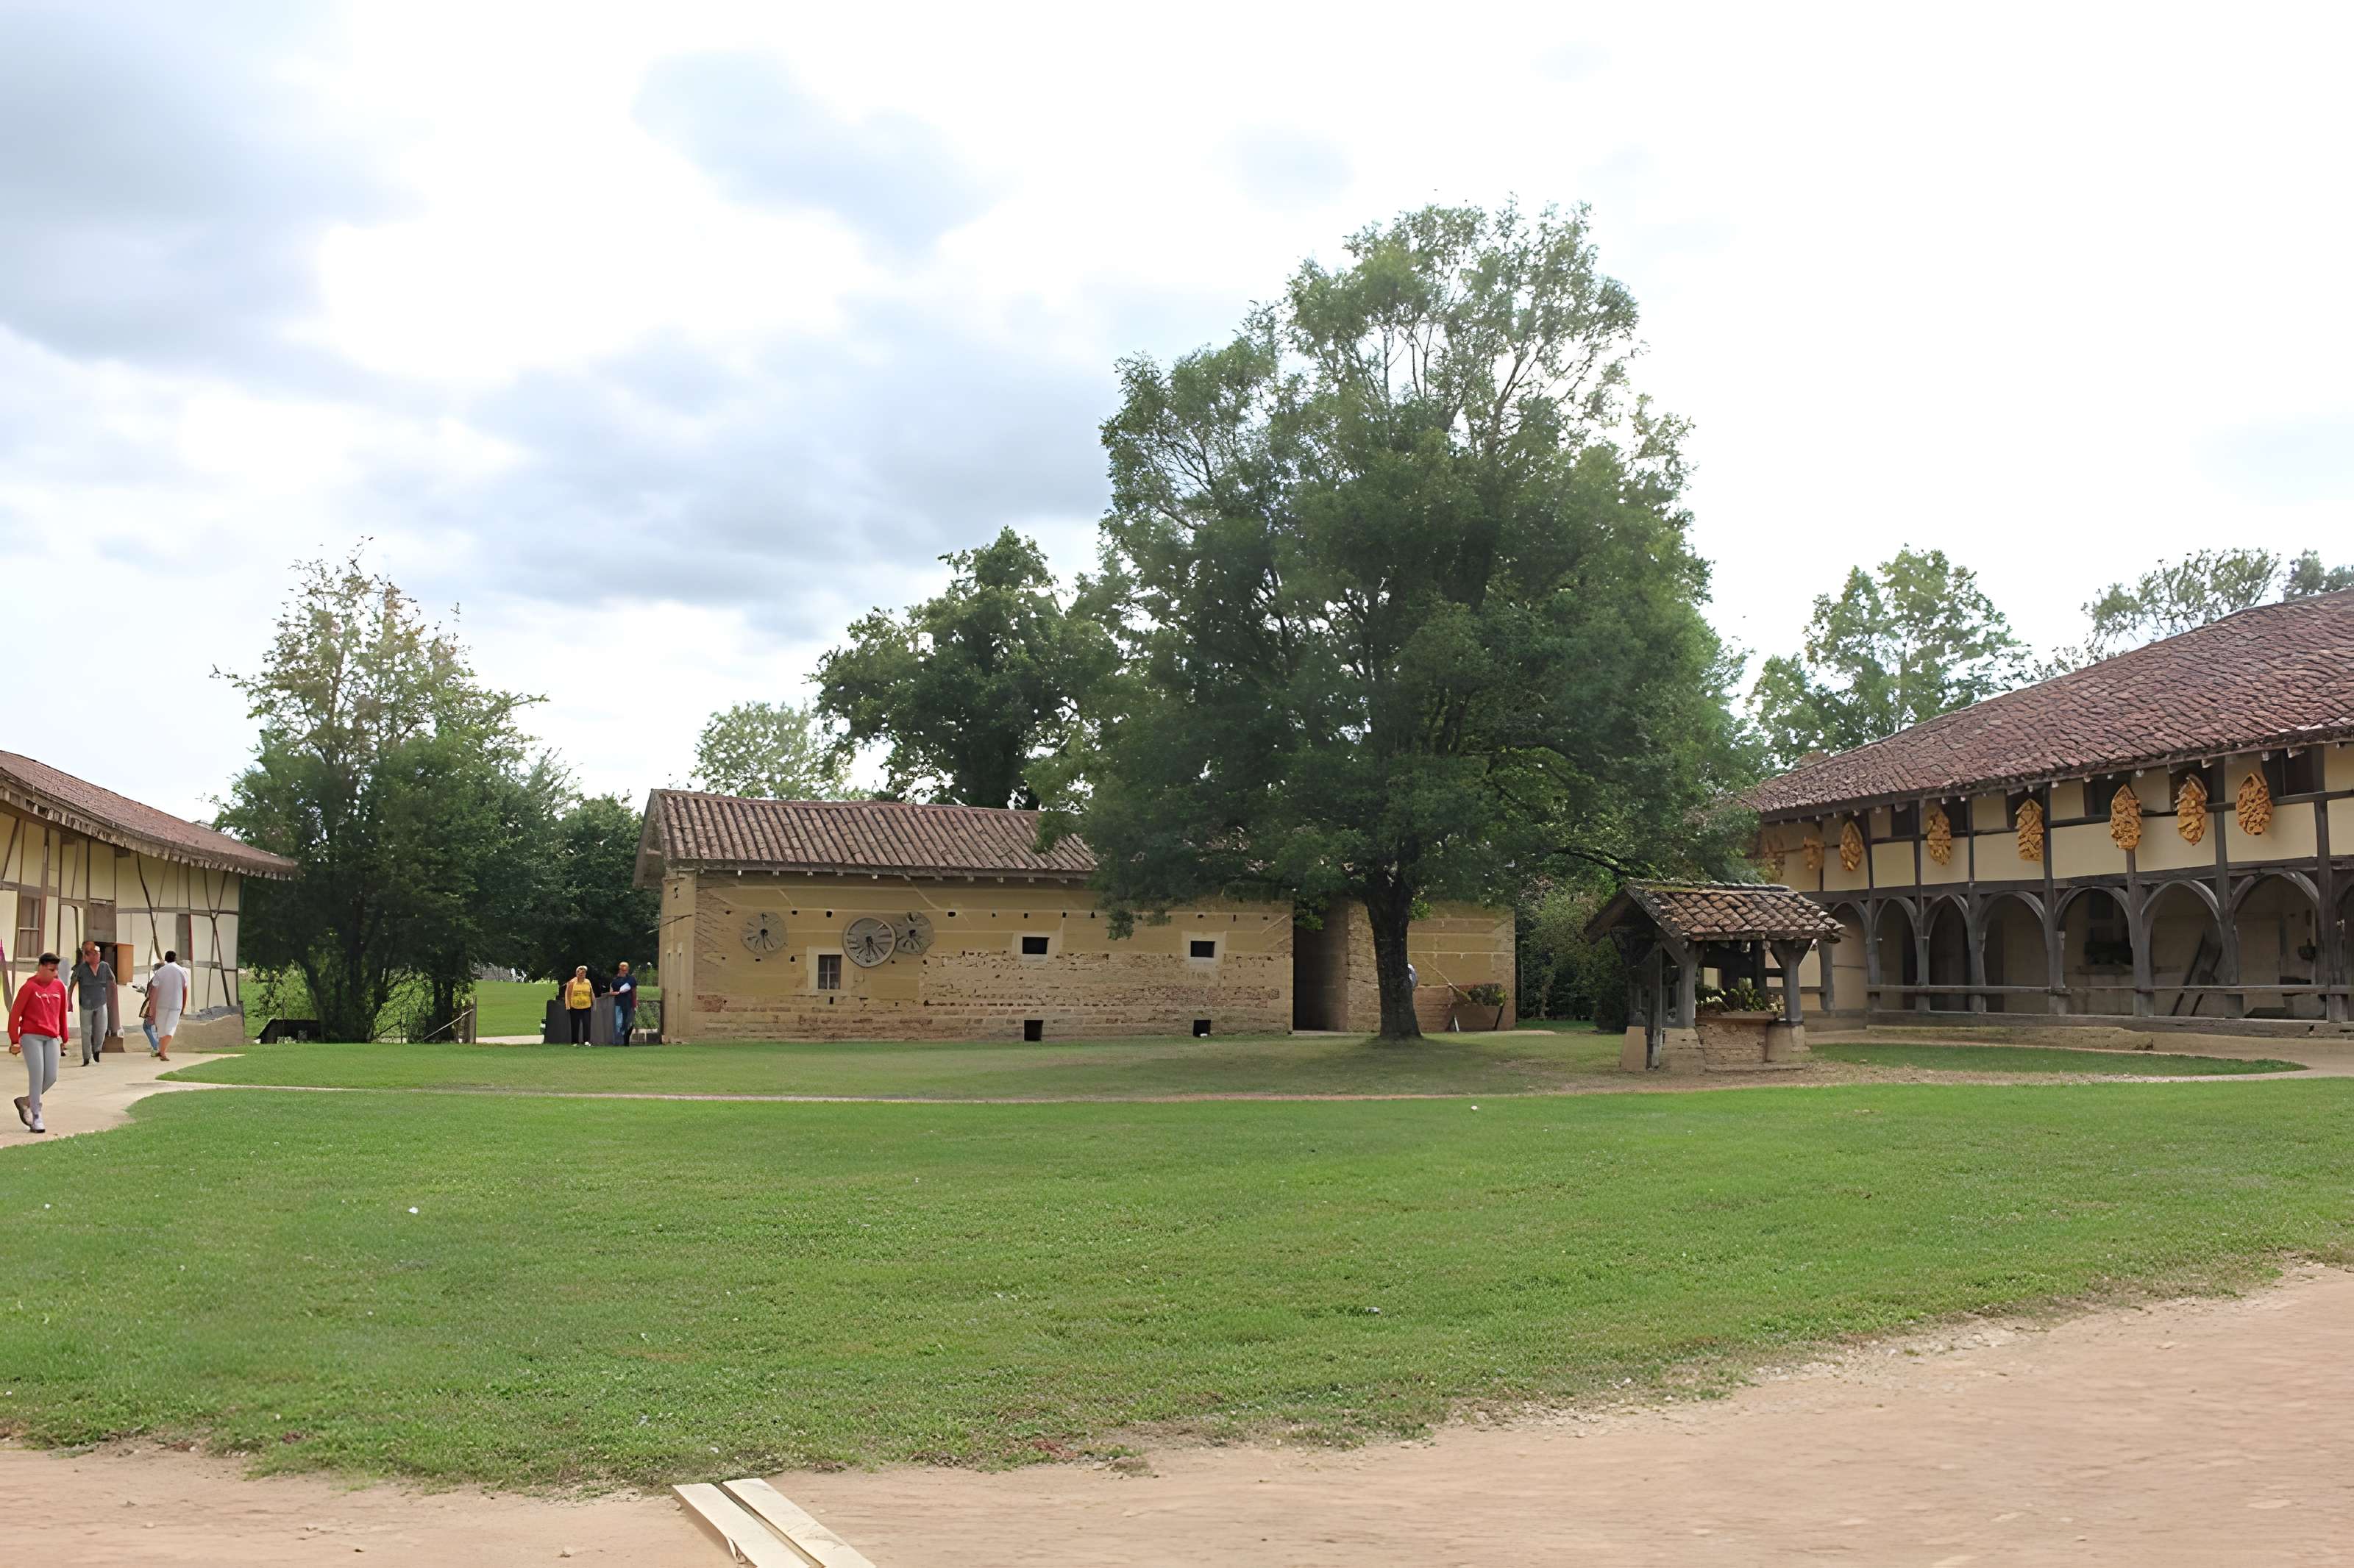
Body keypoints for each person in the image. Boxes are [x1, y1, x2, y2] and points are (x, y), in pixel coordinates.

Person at [12, 952, 70, 1134]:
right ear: (41, 967)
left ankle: (26, 1101)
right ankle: (36, 1117)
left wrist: (64, 1037)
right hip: (31, 1035)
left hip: (51, 1036)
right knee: (37, 1076)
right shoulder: (29, 987)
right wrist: (15, 1040)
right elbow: (15, 1014)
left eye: (56, 970)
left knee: (51, 1077)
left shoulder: (59, 987)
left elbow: (61, 1014)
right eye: (51, 970)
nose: (55, 974)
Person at [68, 941, 115, 1066]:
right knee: (86, 1031)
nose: (96, 956)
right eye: (92, 954)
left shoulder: (104, 966)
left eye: (97, 954)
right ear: (86, 956)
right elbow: (72, 984)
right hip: (86, 1003)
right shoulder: (81, 968)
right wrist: (69, 1002)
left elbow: (112, 982)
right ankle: (86, 1057)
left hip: (101, 1001)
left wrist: (113, 999)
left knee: (101, 1028)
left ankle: (97, 1050)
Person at [146, 949, 191, 1063]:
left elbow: (153, 991)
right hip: (176, 1004)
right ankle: (162, 1052)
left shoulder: (160, 972)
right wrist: (183, 1006)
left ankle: (162, 1052)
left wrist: (152, 1008)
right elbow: (185, 990)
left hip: (161, 1004)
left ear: (165, 959)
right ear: (175, 959)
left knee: (161, 1030)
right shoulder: (181, 971)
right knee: (170, 1030)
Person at [563, 966, 594, 1045]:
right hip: (575, 1007)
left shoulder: (588, 982)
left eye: (583, 972)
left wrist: (593, 1002)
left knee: (587, 1024)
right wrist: (568, 1005)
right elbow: (568, 994)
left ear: (585, 974)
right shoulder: (572, 982)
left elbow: (591, 993)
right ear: (576, 973)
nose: (581, 974)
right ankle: (575, 1041)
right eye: (579, 972)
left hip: (587, 1006)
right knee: (575, 1025)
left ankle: (586, 1041)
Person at [610, 961, 639, 1045]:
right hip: (618, 1003)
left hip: (628, 1003)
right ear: (620, 969)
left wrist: (635, 1003)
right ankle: (620, 1040)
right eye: (623, 968)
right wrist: (613, 993)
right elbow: (611, 991)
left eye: (626, 968)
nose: (624, 970)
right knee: (619, 1023)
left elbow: (634, 991)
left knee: (627, 1022)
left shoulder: (631, 979)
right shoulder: (615, 980)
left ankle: (625, 1041)